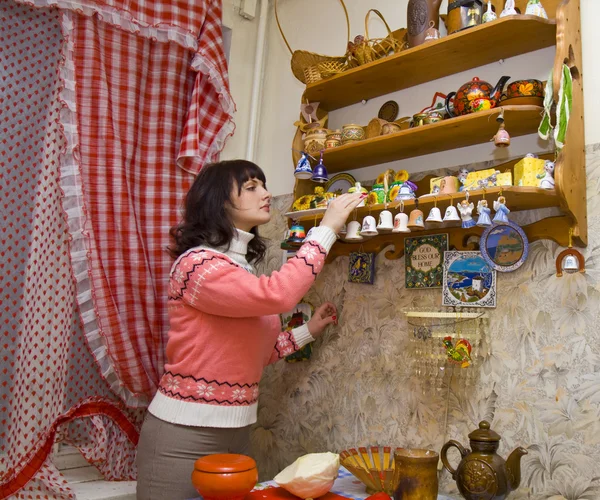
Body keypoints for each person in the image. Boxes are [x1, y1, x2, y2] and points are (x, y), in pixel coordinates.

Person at [136, 159, 365, 499]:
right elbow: (280, 294)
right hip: (183, 433)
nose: (267, 193)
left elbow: (256, 353)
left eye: (264, 185)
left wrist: (309, 331)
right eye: (252, 187)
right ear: (218, 200)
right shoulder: (197, 265)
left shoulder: (238, 269)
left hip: (238, 430)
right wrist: (327, 227)